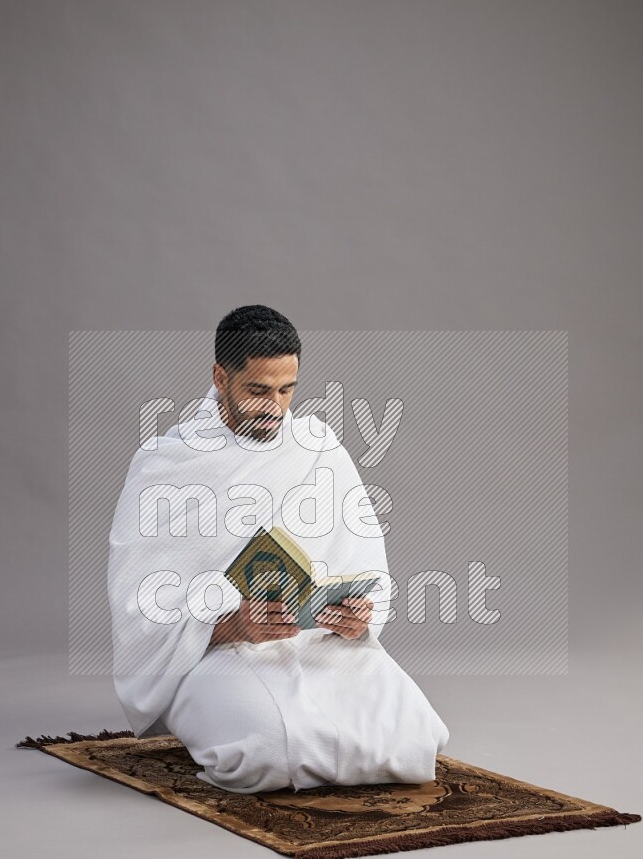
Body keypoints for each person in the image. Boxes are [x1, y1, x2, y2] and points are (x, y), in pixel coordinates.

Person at [107, 305, 450, 793]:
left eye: (287, 390)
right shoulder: (166, 464)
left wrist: (358, 615)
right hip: (210, 653)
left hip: (316, 642)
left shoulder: (318, 448)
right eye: (258, 390)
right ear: (220, 377)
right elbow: (140, 604)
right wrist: (231, 625)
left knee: (416, 736)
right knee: (269, 750)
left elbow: (364, 561)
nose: (275, 406)